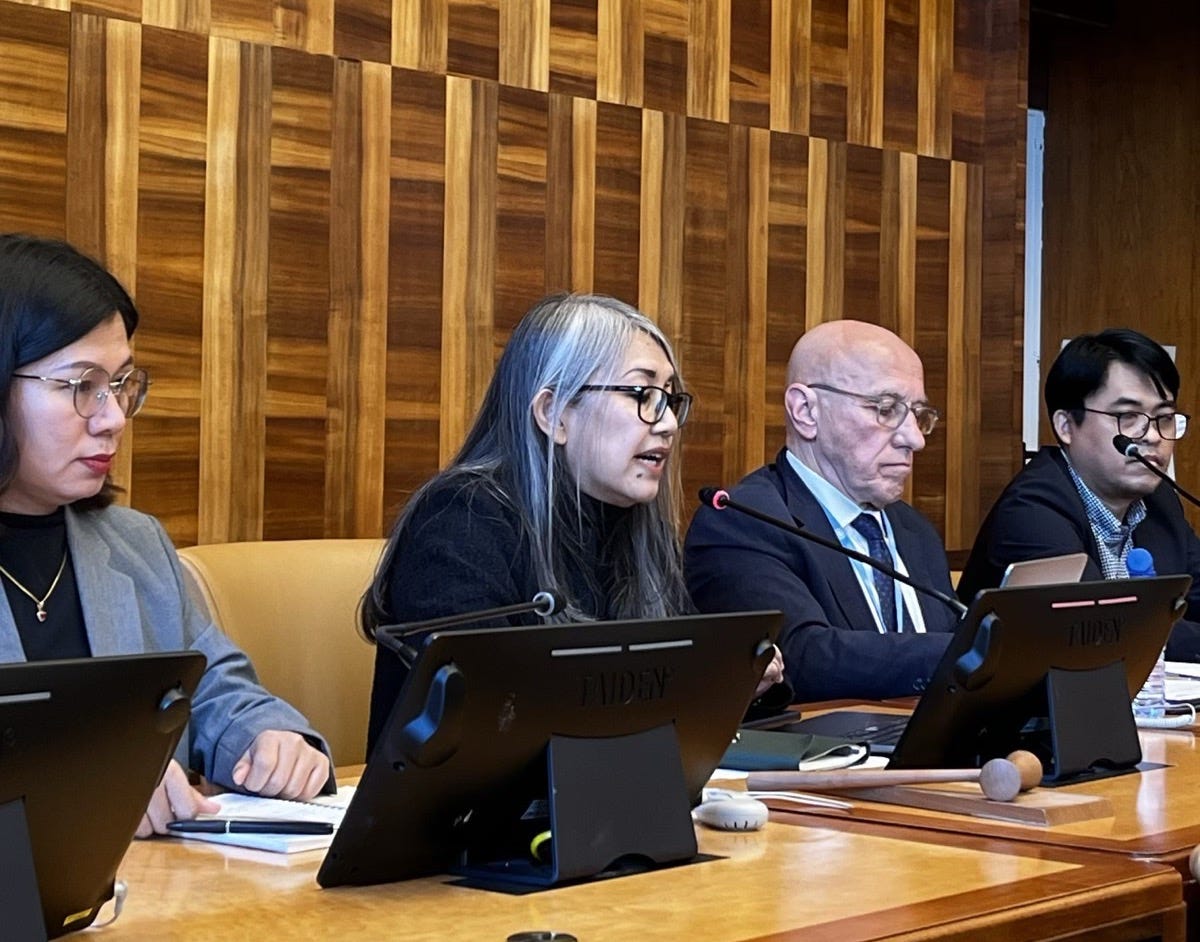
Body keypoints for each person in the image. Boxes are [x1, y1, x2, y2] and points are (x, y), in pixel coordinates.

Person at [0, 234, 333, 838]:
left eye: (121, 384)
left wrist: (269, 739)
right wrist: (82, 787)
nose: (113, 418)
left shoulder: (136, 545)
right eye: (82, 386)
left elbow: (214, 690)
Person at [361, 293, 785, 750]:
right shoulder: (459, 520)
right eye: (643, 395)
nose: (668, 424)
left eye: (670, 398)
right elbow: (490, 714)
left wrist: (737, 681)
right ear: (554, 414)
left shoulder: (637, 526)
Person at [684, 319, 960, 701]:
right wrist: (968, 651)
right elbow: (803, 658)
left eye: (918, 414)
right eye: (886, 409)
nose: (914, 439)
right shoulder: (742, 521)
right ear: (806, 411)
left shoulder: (914, 530)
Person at [957, 328, 1200, 659]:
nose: (1153, 436)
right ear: (1066, 426)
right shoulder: (1031, 511)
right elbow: (1104, 630)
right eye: (1128, 417)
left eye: (1164, 418)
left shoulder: (1160, 502)